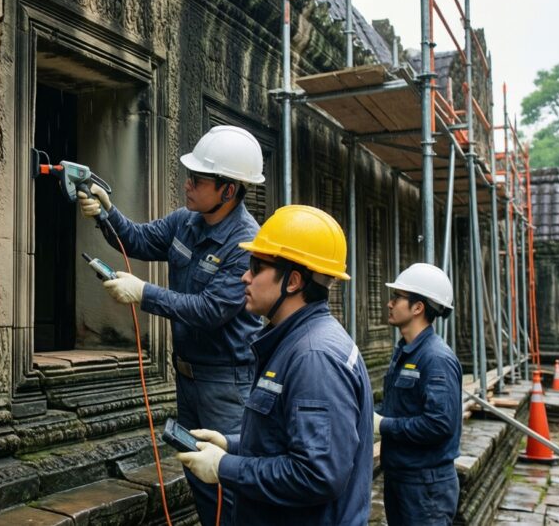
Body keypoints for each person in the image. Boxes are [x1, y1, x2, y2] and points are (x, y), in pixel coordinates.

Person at [78, 125, 264, 526]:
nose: (188, 184)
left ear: (228, 190)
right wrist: (107, 213)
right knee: (197, 472)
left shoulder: (247, 243)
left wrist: (144, 293)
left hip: (226, 384)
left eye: (198, 179)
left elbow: (210, 310)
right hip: (190, 378)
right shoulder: (187, 221)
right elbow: (139, 240)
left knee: (227, 480)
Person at [176, 205, 373, 525]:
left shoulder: (314, 357)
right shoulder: (297, 342)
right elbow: (284, 436)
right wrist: (232, 445)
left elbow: (316, 474)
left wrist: (224, 467)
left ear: (293, 281)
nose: (245, 276)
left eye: (257, 267)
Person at [376, 263, 462, 525]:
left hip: (426, 487)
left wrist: (383, 425)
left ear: (417, 307)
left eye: (397, 297)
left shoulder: (435, 358)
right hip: (401, 478)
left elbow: (438, 424)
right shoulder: (406, 351)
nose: (390, 304)